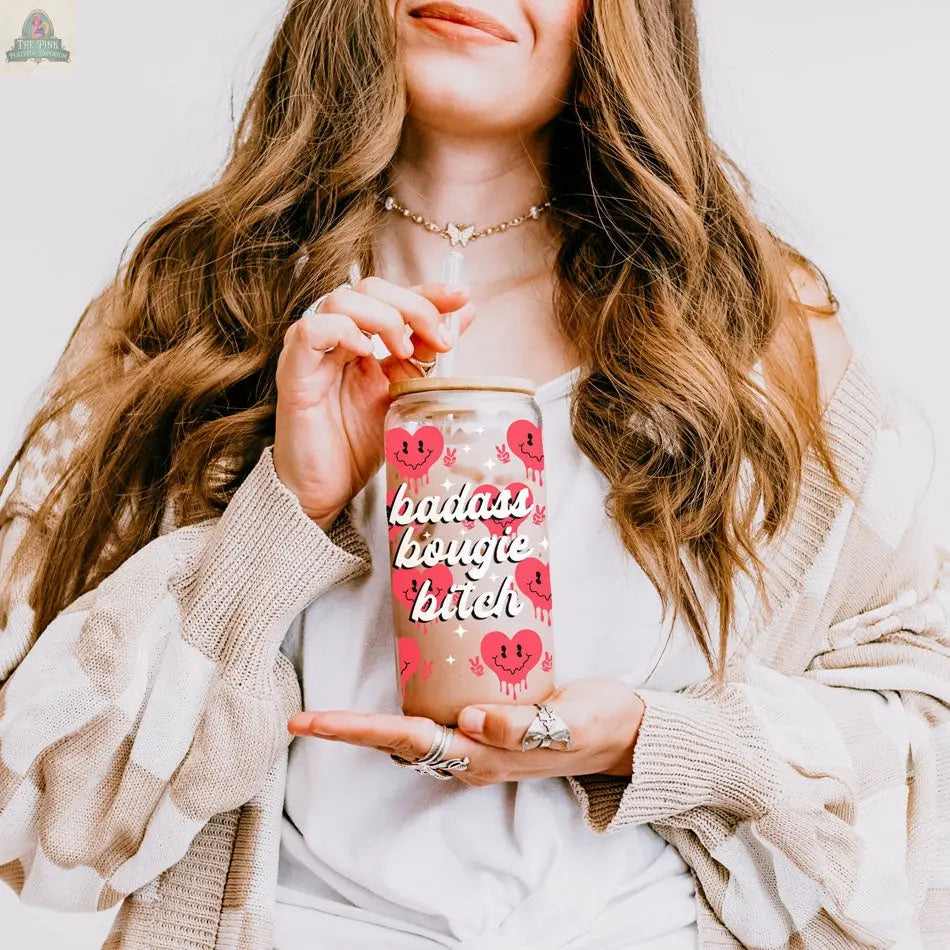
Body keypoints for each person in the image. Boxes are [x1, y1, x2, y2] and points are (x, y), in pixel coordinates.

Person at [0, 1, 947, 948]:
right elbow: (41, 819)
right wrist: (282, 511)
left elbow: (924, 745)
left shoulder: (752, 340)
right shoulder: (191, 313)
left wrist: (654, 744)